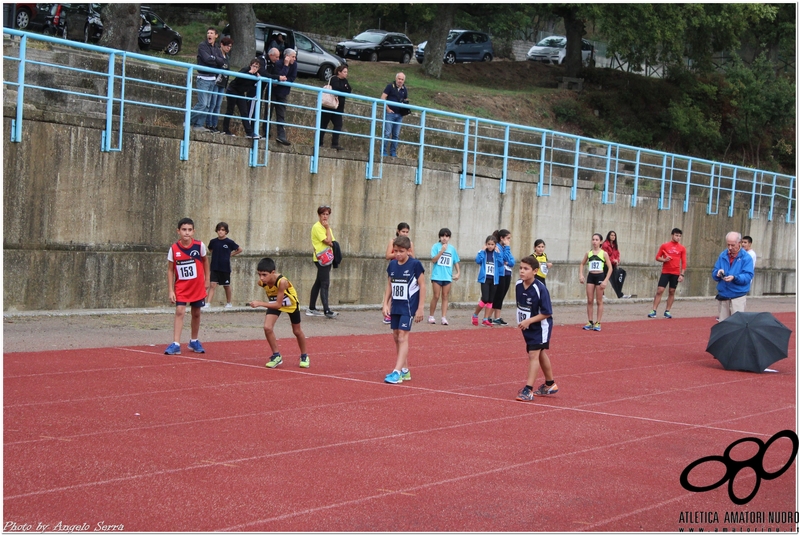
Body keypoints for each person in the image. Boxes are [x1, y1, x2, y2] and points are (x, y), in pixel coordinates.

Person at [248, 257, 310, 369]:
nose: (261, 278)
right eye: (259, 274)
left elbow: (278, 305)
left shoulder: (282, 282)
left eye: (264, 275)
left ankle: (304, 355)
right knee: (267, 327)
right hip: (275, 302)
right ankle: (276, 355)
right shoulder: (262, 282)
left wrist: (260, 303)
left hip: (290, 305)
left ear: (273, 272)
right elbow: (276, 304)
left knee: (296, 331)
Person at [382, 235, 425, 384]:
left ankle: (397, 372)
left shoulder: (415, 265)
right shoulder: (392, 265)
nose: (398, 254)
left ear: (408, 251)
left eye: (401, 251)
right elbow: (390, 285)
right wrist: (385, 304)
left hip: (409, 307)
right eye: (395, 251)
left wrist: (420, 308)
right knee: (395, 336)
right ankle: (405, 370)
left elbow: (422, 286)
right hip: (396, 306)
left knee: (402, 336)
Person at [514, 256, 558, 402]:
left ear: (535, 271)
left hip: (540, 326)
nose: (522, 271)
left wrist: (529, 321)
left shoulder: (540, 289)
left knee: (533, 354)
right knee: (539, 353)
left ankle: (528, 390)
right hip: (527, 326)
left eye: (526, 269)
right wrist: (523, 321)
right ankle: (550, 384)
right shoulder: (518, 285)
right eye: (520, 268)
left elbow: (547, 312)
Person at [164, 218, 210, 355]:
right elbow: (170, 270)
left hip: (197, 286)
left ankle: (194, 341)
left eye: (190, 230)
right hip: (182, 287)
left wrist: (207, 279)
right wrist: (171, 290)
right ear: (178, 231)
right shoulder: (174, 249)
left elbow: (206, 262)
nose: (187, 233)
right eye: (184, 230)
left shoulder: (199, 246)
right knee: (180, 311)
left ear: (193, 231)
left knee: (196, 313)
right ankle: (176, 343)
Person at [712, 232, 754, 321]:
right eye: (728, 245)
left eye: (732, 245)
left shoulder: (746, 258)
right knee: (723, 325)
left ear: (739, 243)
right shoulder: (723, 255)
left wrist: (735, 278)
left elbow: (748, 276)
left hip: (738, 295)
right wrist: (718, 273)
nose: (730, 247)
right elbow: (714, 272)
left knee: (737, 325)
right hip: (724, 295)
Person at [190, 28, 226, 131]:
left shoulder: (216, 48)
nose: (209, 35)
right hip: (203, 78)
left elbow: (222, 62)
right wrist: (215, 60)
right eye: (208, 33)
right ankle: (188, 121)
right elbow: (206, 59)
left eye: (211, 33)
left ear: (216, 36)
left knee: (208, 105)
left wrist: (213, 59)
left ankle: (198, 125)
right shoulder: (202, 46)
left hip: (212, 79)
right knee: (203, 103)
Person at [647, 228, 687, 319]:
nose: (678, 237)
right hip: (665, 272)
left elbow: (684, 262)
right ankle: (653, 310)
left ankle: (667, 311)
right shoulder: (664, 246)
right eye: (676, 235)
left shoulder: (682, 248)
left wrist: (682, 274)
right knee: (660, 290)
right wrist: (664, 259)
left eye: (680, 236)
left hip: (676, 273)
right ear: (672, 235)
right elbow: (657, 257)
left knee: (672, 291)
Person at [308, 204, 338, 318]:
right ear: (319, 215)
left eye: (327, 214)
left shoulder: (327, 227)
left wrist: (327, 230)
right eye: (323, 214)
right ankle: (327, 310)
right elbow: (327, 241)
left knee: (319, 283)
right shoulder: (317, 227)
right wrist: (327, 229)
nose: (325, 217)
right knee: (325, 283)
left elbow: (332, 241)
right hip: (321, 259)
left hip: (327, 258)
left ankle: (311, 308)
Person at [579, 233, 612, 332]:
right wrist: (581, 275)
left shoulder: (604, 253)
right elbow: (582, 263)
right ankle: (590, 321)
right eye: (593, 239)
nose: (594, 241)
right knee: (589, 300)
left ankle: (598, 322)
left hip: (600, 276)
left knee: (599, 300)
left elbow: (610, 268)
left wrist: (606, 280)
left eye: (597, 240)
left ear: (601, 241)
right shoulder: (588, 253)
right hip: (591, 276)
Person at [383, 222, 415, 324]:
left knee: (401, 291)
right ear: (398, 231)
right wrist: (398, 253)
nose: (405, 234)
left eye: (406, 232)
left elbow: (413, 257)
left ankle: (400, 313)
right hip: (394, 267)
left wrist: (407, 253)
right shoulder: (392, 241)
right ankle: (387, 312)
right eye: (403, 231)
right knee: (391, 288)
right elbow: (388, 255)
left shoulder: (410, 243)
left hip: (405, 268)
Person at [206, 222, 243, 307]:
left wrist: (230, 255)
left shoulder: (229, 242)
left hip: (225, 268)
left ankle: (229, 302)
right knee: (212, 285)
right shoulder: (213, 241)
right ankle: (208, 303)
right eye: (219, 230)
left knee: (226, 286)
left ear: (226, 231)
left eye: (222, 230)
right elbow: (210, 249)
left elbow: (239, 249)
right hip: (215, 266)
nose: (220, 232)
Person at [222, 58, 261, 138]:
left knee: (244, 112)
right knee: (230, 110)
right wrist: (249, 73)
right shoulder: (245, 70)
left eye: (257, 67)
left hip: (241, 93)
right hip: (232, 90)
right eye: (253, 66)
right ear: (250, 65)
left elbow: (251, 85)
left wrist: (257, 78)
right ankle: (225, 130)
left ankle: (249, 132)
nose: (254, 68)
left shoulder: (256, 76)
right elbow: (238, 79)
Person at [428, 227, 460, 325]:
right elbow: (433, 260)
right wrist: (441, 251)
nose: (444, 238)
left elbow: (456, 261)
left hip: (447, 276)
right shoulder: (435, 246)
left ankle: (444, 317)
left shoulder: (452, 249)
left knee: (445, 296)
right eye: (442, 236)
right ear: (439, 237)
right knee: (436, 296)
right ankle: (431, 316)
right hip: (437, 276)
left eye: (446, 236)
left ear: (449, 237)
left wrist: (458, 272)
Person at [269, 48, 298, 146]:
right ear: (287, 56)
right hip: (273, 92)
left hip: (283, 93)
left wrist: (283, 80)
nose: (294, 59)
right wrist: (285, 66)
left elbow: (292, 78)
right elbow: (278, 76)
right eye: (293, 56)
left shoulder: (294, 65)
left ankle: (281, 135)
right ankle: (266, 133)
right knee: (268, 112)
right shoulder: (279, 63)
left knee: (281, 114)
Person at [319, 65, 352, 151]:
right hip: (329, 106)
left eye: (346, 72)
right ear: (339, 72)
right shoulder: (334, 79)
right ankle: (319, 143)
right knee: (323, 125)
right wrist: (343, 88)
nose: (346, 74)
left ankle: (335, 144)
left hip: (338, 108)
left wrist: (343, 88)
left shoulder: (345, 81)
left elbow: (349, 90)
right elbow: (336, 88)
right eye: (344, 72)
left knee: (338, 125)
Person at [472, 235, 501, 327]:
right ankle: (475, 314)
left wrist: (499, 253)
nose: (490, 246)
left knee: (491, 300)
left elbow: (500, 263)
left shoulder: (496, 254)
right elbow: (478, 260)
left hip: (494, 279)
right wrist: (481, 251)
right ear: (486, 244)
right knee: (485, 298)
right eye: (488, 244)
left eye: (492, 244)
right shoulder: (483, 253)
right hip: (485, 279)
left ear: (495, 245)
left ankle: (485, 318)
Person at [205, 36, 232, 133]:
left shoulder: (227, 57)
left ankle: (215, 125)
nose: (228, 48)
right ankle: (209, 124)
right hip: (216, 81)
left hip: (223, 83)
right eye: (227, 46)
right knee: (212, 104)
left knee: (218, 105)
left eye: (230, 46)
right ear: (221, 45)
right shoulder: (217, 53)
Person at [380, 72, 409, 157]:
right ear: (396, 79)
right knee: (387, 133)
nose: (400, 81)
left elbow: (406, 100)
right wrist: (387, 109)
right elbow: (382, 97)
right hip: (390, 113)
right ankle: (383, 151)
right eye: (399, 79)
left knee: (396, 134)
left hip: (399, 115)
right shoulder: (390, 86)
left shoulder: (405, 90)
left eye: (402, 79)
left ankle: (393, 152)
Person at [490, 229, 515, 325]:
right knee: (497, 296)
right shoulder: (498, 247)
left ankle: (497, 317)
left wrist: (508, 262)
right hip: (500, 274)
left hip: (507, 273)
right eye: (508, 238)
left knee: (501, 296)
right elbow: (502, 259)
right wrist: (507, 248)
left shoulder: (506, 248)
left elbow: (512, 261)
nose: (509, 240)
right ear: (502, 238)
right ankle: (488, 317)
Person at [601, 230, 630, 299]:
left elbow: (617, 254)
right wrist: (613, 260)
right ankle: (602, 295)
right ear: (608, 236)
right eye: (611, 235)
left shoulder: (615, 245)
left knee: (616, 280)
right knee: (603, 279)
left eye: (614, 235)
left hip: (613, 265)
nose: (613, 237)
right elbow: (606, 255)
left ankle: (620, 295)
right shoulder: (605, 244)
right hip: (606, 265)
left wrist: (617, 260)